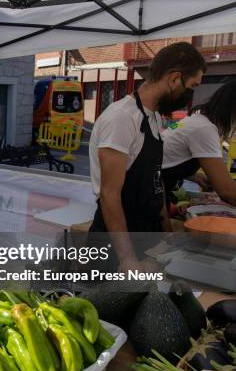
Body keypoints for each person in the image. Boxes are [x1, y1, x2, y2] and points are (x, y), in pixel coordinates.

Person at [88, 42, 206, 267]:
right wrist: (128, 260)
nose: (190, 95)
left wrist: (167, 232)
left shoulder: (154, 117)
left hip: (145, 236)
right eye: (191, 86)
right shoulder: (121, 118)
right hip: (115, 245)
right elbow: (109, 195)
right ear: (174, 79)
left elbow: (155, 179)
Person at [162, 81, 236, 206]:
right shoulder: (204, 129)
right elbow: (227, 191)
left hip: (153, 188)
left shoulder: (197, 121)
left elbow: (168, 158)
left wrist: (192, 175)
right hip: (146, 193)